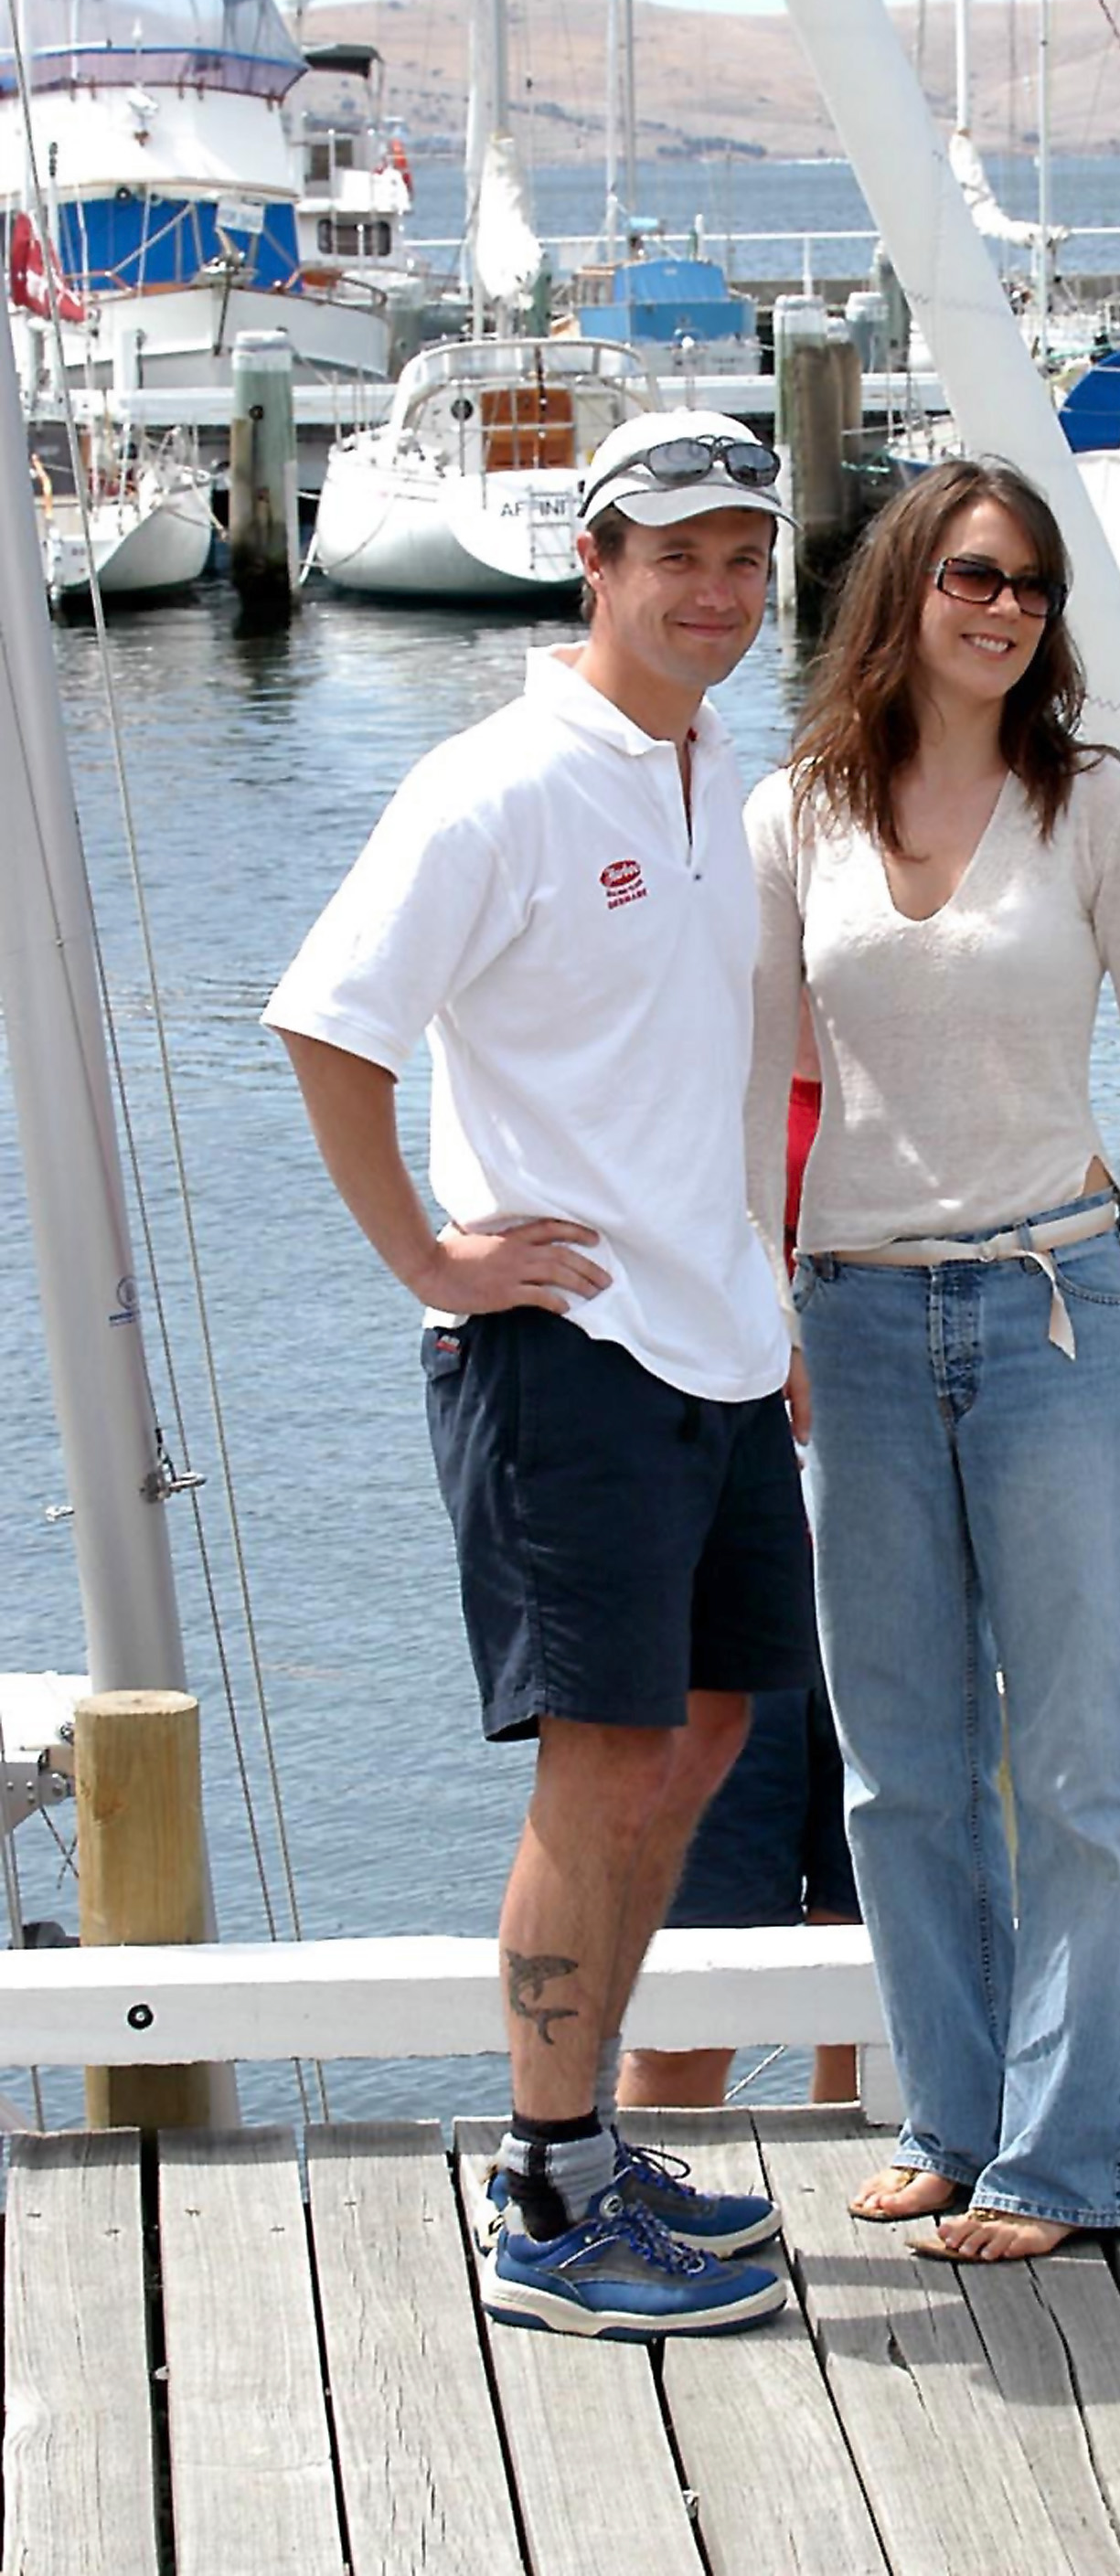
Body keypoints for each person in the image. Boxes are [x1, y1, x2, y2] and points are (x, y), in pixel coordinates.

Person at [263, 408, 816, 2341]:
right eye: (675, 554)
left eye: (746, 558)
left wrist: (771, 1299)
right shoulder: (492, 786)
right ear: (593, 563)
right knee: (599, 1776)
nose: (715, 591)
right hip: (563, 1356)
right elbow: (332, 1027)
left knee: (710, 1740)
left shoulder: (716, 770)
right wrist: (428, 1253)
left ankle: (582, 2145)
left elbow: (713, 1079)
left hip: (722, 1346)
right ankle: (547, 2204)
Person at [745, 457, 1120, 2262]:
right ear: (908, 589)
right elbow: (758, 1092)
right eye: (972, 572)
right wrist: (760, 1307)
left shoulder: (1098, 810)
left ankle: (1073, 2160)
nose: (1004, 605)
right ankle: (951, 2118)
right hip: (855, 1324)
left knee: (1083, 1766)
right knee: (898, 1763)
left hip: (1054, 1316)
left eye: (1029, 582)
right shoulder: (799, 810)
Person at [619, 1003, 862, 2114]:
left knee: (873, 1926)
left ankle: (857, 2143)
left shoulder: (939, 1063)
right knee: (703, 1952)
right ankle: (639, 2177)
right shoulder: (698, 1074)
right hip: (731, 1583)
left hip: (894, 1578)